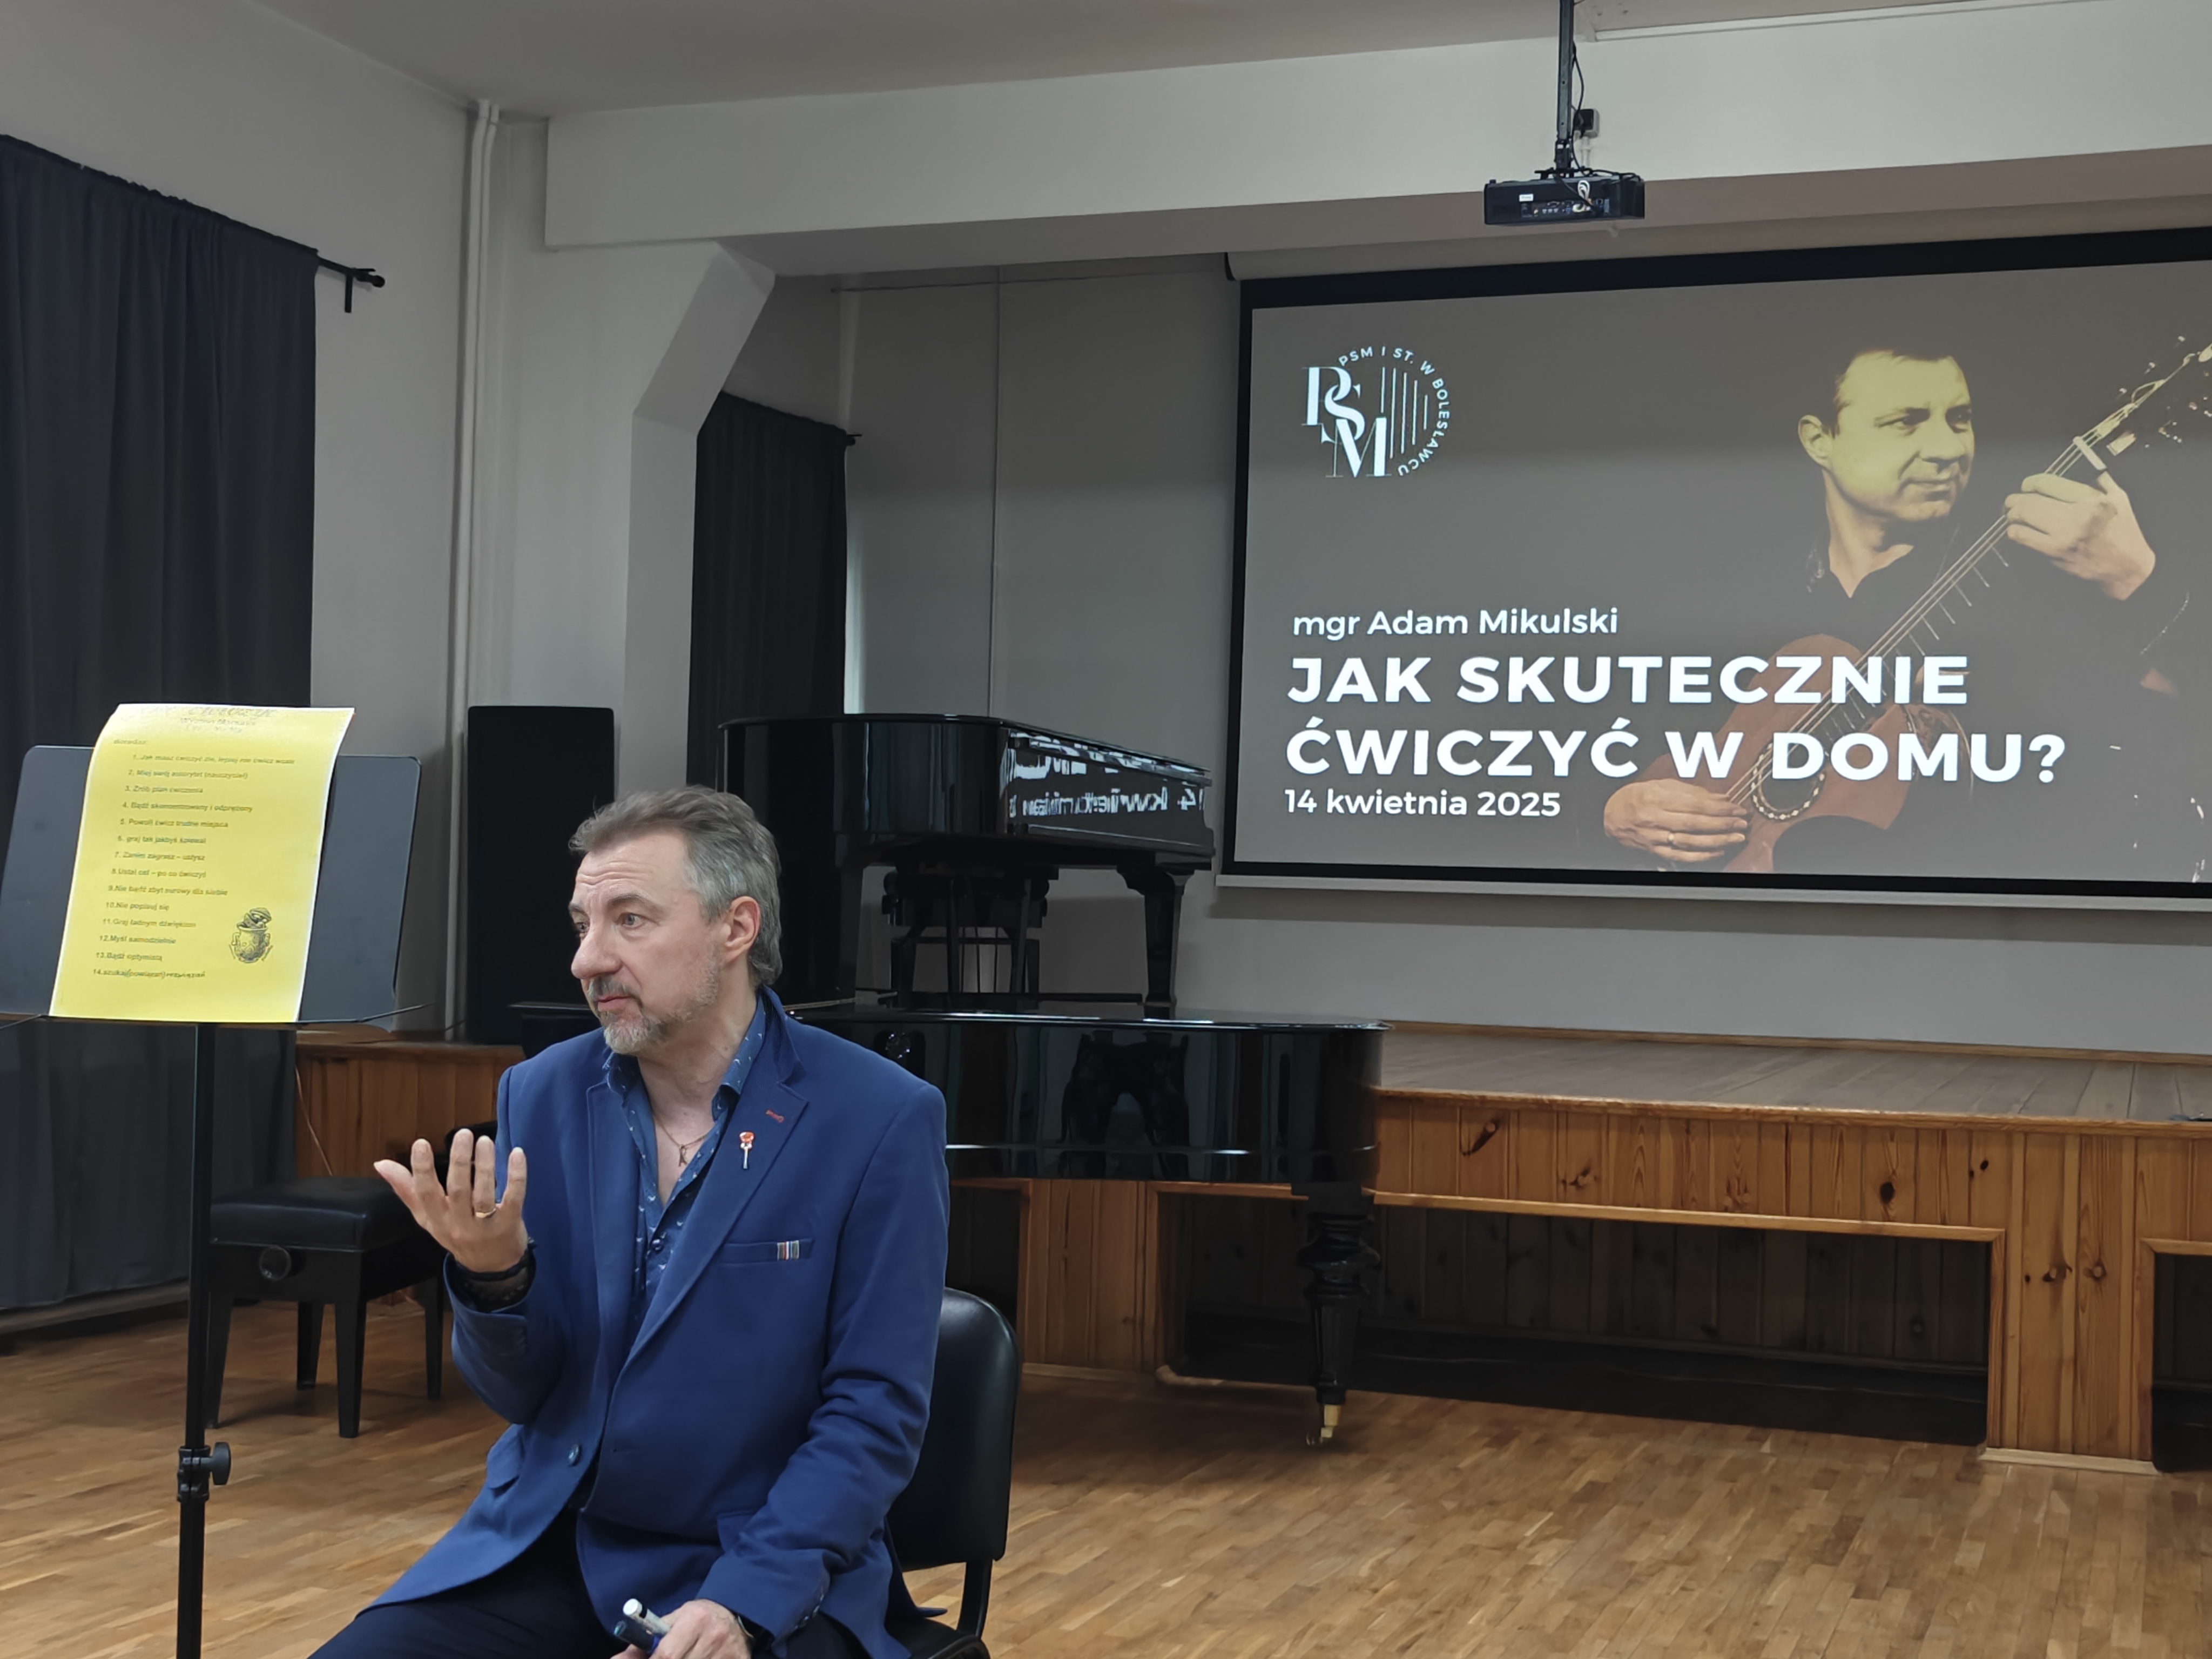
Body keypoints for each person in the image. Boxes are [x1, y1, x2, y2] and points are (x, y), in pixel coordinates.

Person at [314, 787, 949, 1659]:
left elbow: (872, 1414)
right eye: (583, 924)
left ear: (735, 928)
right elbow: (523, 1397)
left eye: (630, 920)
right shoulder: (541, 1092)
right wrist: (496, 1278)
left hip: (760, 1556)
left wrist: (741, 1603)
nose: (588, 958)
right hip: (557, 1543)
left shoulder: (878, 1116)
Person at [1601, 341, 2192, 873]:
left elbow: (2181, 726)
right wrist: (1613, 809)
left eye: (1959, 419)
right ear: (1819, 440)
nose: (1947, 449)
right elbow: (1598, 741)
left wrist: (2137, 579)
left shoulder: (2044, 572)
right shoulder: (1731, 592)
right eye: (1905, 422)